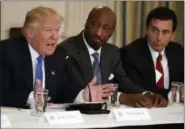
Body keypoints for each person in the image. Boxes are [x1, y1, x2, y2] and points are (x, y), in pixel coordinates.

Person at [60, 6, 166, 108]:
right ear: (86, 23)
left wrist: (146, 94)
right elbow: (80, 90)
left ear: (112, 32)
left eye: (106, 28)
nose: (99, 32)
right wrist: (122, 98)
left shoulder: (112, 51)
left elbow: (124, 82)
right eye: (94, 24)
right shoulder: (67, 50)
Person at [1, 6, 75, 108]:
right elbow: (3, 93)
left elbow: (64, 92)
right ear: (31, 33)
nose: (55, 37)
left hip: (49, 120)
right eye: (48, 30)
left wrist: (82, 95)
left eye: (57, 30)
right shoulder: (6, 52)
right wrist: (30, 98)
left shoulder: (59, 54)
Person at [120, 7, 184, 103]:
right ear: (146, 30)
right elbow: (139, 89)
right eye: (154, 30)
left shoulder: (178, 51)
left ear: (173, 34)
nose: (158, 38)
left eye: (165, 32)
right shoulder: (130, 53)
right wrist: (173, 94)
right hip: (146, 109)